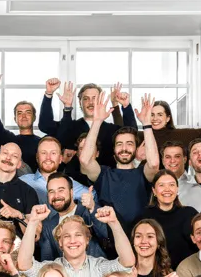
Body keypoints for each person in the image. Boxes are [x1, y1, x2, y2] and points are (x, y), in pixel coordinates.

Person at [19, 205, 135, 277]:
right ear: (60, 242)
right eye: (67, 236)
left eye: (78, 235)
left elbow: (127, 262)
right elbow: (24, 265)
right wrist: (33, 222)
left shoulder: (99, 266)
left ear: (87, 239)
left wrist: (114, 223)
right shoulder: (51, 270)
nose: (72, 240)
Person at [79, 94, 159, 228]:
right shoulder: (104, 174)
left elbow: (154, 163)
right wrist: (97, 121)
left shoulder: (143, 174)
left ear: (135, 148)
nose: (124, 148)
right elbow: (85, 160)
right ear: (114, 149)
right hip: (108, 237)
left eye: (129, 143)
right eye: (119, 144)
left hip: (139, 238)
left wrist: (146, 124)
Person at [41, 80, 138, 164]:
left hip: (106, 180)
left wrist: (126, 106)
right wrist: (50, 94)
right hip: (75, 181)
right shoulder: (69, 126)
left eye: (94, 98)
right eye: (86, 99)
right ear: (80, 102)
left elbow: (132, 133)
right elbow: (45, 126)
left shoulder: (112, 130)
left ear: (101, 101)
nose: (91, 102)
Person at [0, 64, 43, 170]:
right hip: (12, 185)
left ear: (34, 117)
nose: (23, 116)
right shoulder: (10, 141)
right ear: (15, 119)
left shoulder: (42, 143)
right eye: (19, 113)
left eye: (27, 112)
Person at [35, 173, 107, 262]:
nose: (56, 196)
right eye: (51, 191)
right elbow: (47, 261)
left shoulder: (88, 211)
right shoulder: (48, 225)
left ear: (71, 192)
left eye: (61, 190)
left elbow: (106, 235)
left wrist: (92, 208)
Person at [140, 170, 199, 263]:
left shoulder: (190, 214)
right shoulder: (144, 217)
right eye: (161, 185)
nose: (167, 189)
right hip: (157, 272)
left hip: (188, 271)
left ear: (177, 189)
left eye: (171, 185)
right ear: (154, 191)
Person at [19, 136, 90, 204]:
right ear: (37, 157)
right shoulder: (22, 181)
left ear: (60, 159)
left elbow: (93, 198)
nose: (48, 157)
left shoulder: (71, 184)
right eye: (44, 153)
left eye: (53, 153)